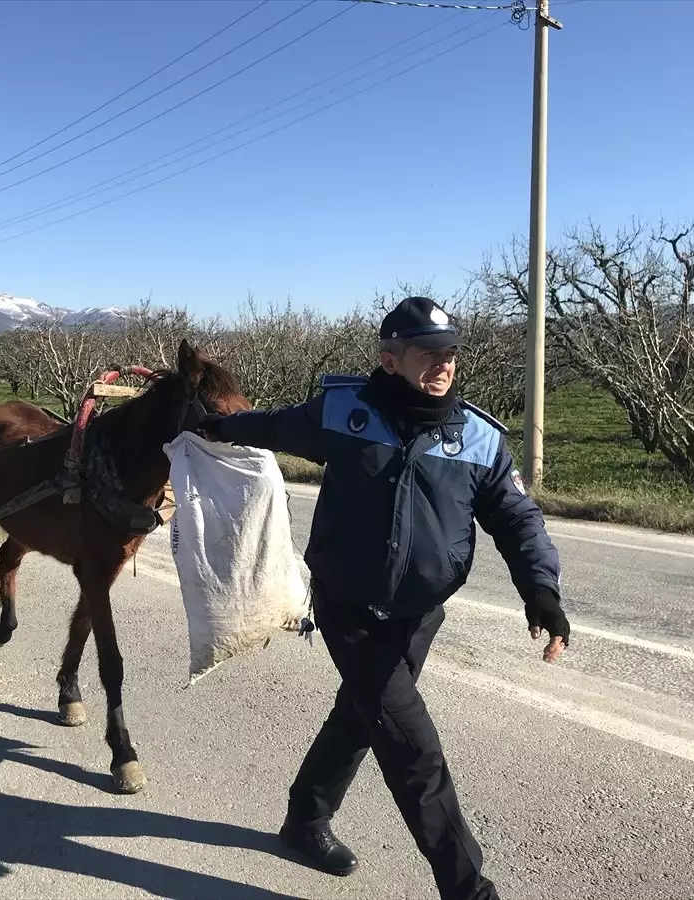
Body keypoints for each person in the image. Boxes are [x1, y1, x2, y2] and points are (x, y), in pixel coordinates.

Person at [198, 296, 570, 900]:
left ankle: (304, 820)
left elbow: (519, 519)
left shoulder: (476, 440)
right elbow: (274, 425)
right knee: (413, 750)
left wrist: (541, 591)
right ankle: (469, 891)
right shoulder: (346, 414)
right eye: (429, 354)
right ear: (390, 359)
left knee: (362, 716)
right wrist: (215, 426)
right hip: (350, 607)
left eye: (450, 353)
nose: (444, 365)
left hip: (420, 615)